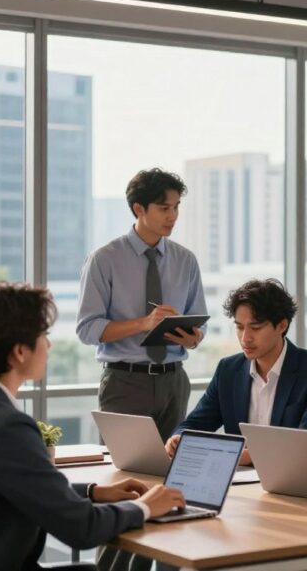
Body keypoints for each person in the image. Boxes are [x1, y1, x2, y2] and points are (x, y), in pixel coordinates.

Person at [0, 283, 185, 571]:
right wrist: (146, 506)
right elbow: (82, 529)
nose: (49, 345)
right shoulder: (7, 426)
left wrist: (92, 492)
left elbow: (15, 484)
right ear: (20, 351)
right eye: (43, 335)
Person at [76, 168, 207, 439]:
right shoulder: (105, 260)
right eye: (163, 208)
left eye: (176, 207)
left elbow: (198, 322)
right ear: (139, 208)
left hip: (175, 381)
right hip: (125, 382)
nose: (172, 216)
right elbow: (87, 329)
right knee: (124, 473)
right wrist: (144, 323)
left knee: (172, 472)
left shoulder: (186, 260)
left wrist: (192, 339)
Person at [165, 279, 307, 463]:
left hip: (289, 479)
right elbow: (195, 424)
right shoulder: (229, 370)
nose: (245, 338)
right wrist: (179, 439)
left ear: (282, 325)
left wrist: (245, 456)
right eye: (239, 327)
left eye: (255, 328)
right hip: (237, 480)